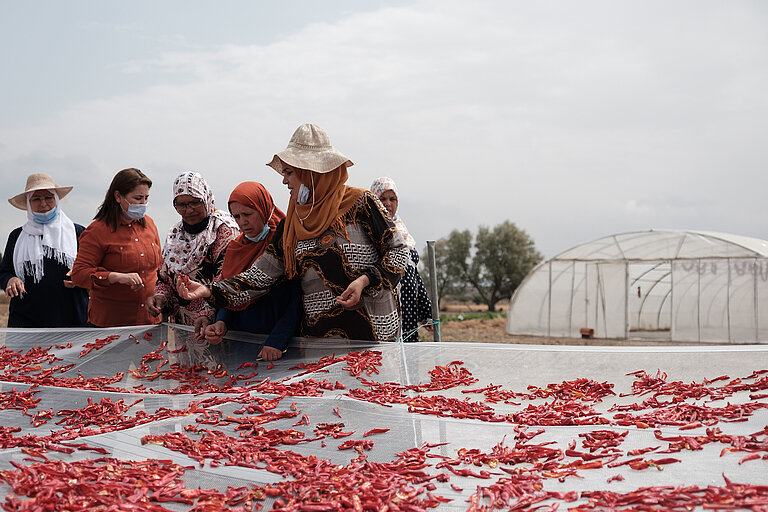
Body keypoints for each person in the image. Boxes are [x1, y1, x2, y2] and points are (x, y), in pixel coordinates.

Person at [177, 123, 409, 341]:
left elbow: (399, 252)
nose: (285, 181)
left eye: (289, 172)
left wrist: (365, 280)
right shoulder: (293, 224)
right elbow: (261, 276)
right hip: (320, 337)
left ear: (311, 172)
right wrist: (209, 290)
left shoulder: (361, 204)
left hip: (372, 331)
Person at [203, 181, 302, 361]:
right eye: (237, 216)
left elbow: (295, 300)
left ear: (264, 209)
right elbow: (231, 293)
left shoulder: (284, 243)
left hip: (278, 346)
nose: (243, 222)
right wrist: (221, 322)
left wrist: (277, 341)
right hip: (241, 342)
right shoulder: (235, 248)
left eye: (248, 214)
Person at [146, 172, 239, 335]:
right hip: (184, 327)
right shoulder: (175, 235)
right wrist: (160, 298)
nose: (188, 210)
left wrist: (207, 313)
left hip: (216, 324)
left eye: (195, 203)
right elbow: (165, 278)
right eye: (181, 205)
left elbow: (226, 278)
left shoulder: (223, 230)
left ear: (206, 198)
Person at [71, 168, 162, 327]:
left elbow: (158, 269)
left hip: (149, 322)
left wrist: (159, 295)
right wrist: (115, 276)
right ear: (118, 196)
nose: (143, 204)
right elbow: (79, 275)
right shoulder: (97, 231)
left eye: (146, 198)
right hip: (111, 325)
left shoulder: (150, 225)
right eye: (138, 198)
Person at [0, 173, 88, 327]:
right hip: (26, 321)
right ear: (28, 203)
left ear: (56, 199)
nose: (43, 204)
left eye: (48, 198)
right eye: (36, 199)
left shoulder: (77, 232)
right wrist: (10, 279)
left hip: (72, 318)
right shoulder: (17, 236)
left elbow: (95, 268)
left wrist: (80, 274)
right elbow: (4, 272)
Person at [371, 177, 433, 341]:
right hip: (386, 312)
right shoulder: (370, 232)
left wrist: (427, 313)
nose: (387, 204)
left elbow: (415, 276)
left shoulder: (402, 231)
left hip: (409, 313)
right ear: (373, 200)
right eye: (382, 198)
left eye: (392, 199)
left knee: (409, 360)